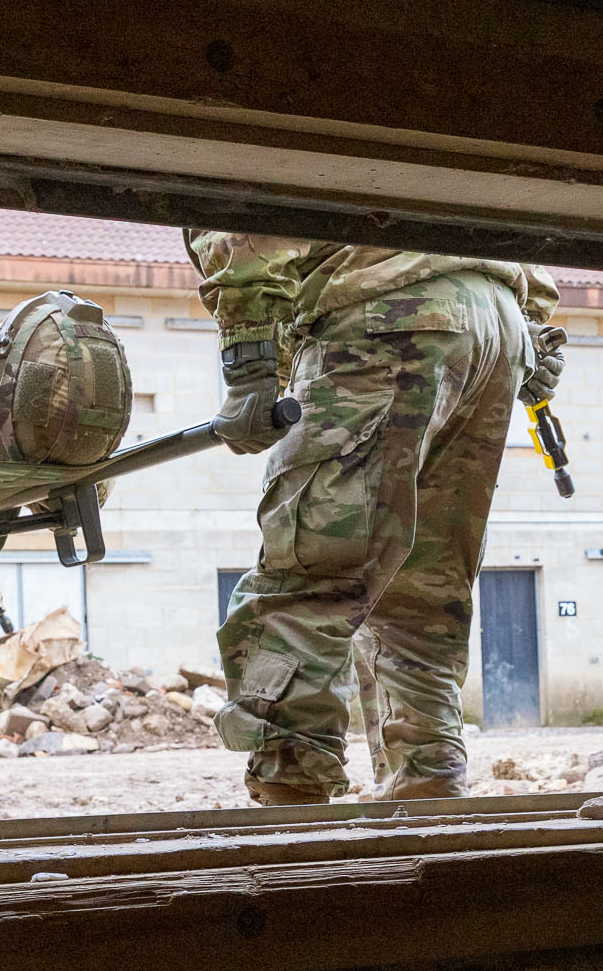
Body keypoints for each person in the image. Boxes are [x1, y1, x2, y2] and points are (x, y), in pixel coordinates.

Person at [188, 234, 565, 803]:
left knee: (311, 577)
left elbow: (239, 217)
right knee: (422, 590)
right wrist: (534, 331)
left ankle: (293, 809)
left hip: (384, 316)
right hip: (497, 325)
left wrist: (250, 363)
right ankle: (428, 791)